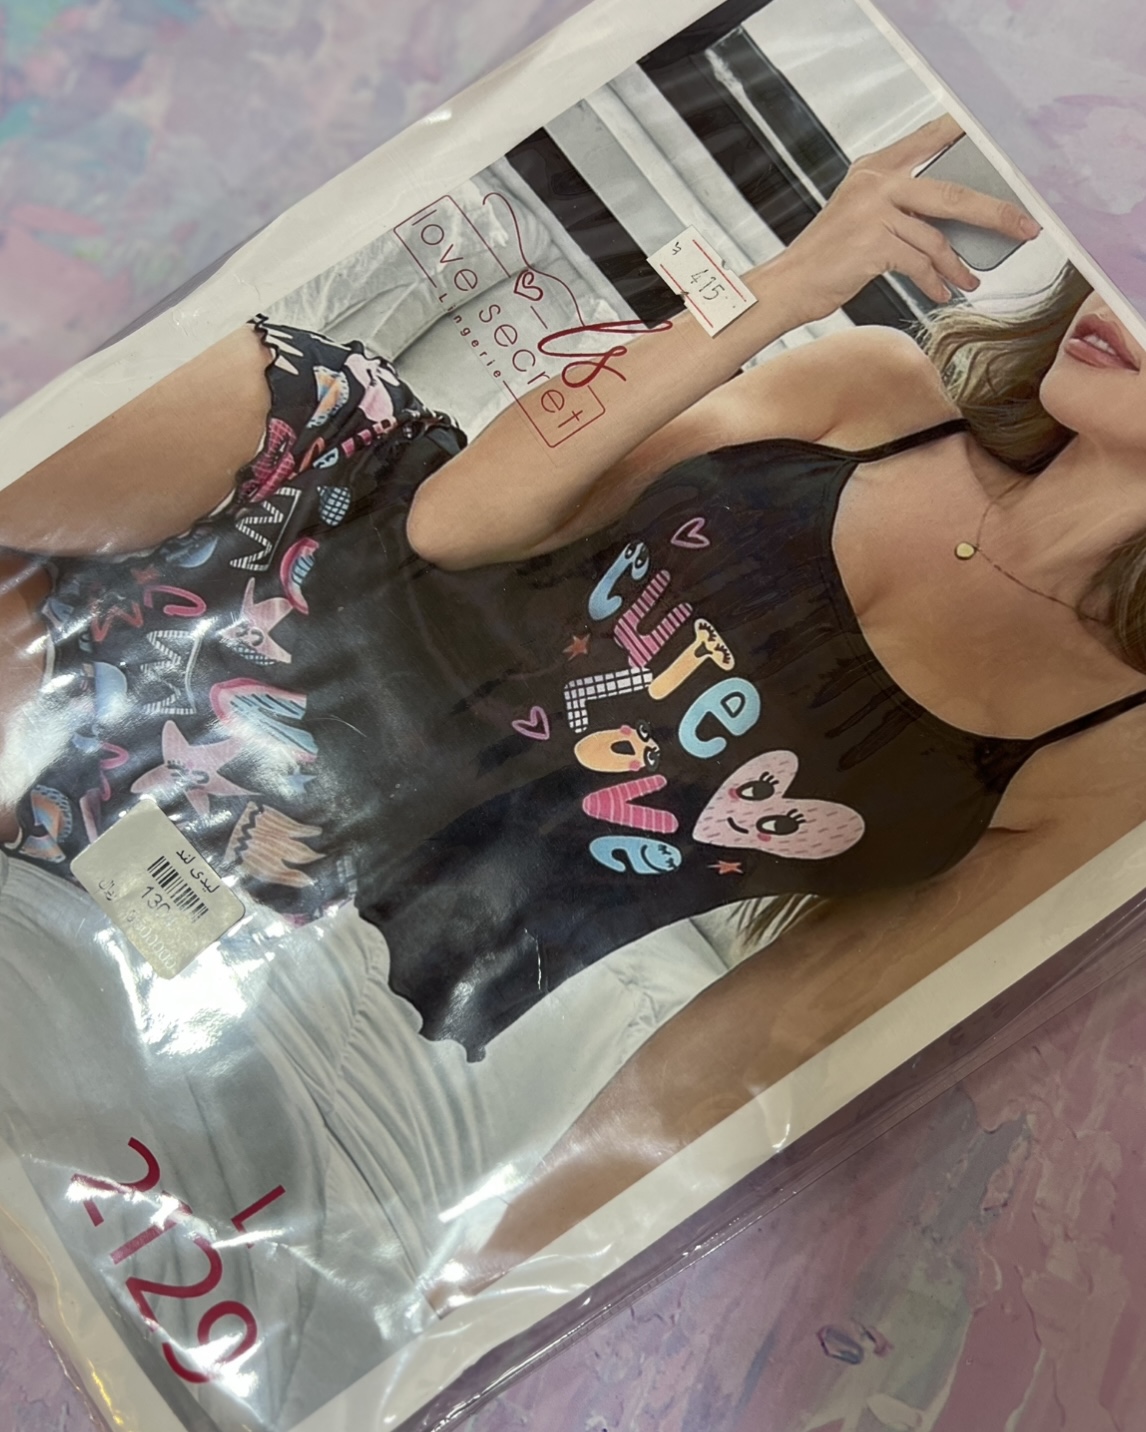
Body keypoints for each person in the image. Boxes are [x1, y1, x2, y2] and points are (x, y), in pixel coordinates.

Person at [3, 112, 1145, 1098]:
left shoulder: (1112, 757)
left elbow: (778, 1047)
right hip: (318, 519)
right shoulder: (881, 395)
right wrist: (784, 290)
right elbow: (454, 522)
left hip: (339, 891)